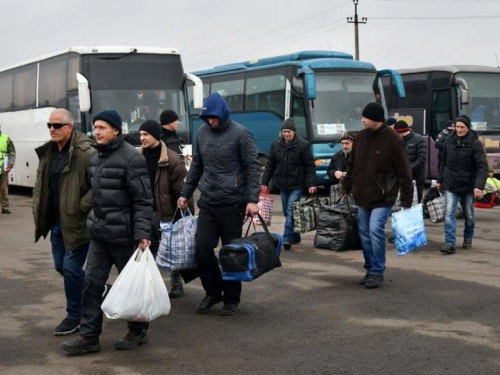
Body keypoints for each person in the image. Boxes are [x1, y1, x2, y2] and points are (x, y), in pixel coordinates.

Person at [61, 110, 153, 354]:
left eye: (102, 127)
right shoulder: (95, 158)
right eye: (95, 127)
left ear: (116, 130)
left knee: (131, 287)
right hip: (100, 235)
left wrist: (142, 233)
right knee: (91, 283)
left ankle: (137, 331)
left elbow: (143, 200)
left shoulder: (132, 159)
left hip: (125, 236)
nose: (97, 132)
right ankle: (89, 337)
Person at [177, 93, 260, 316]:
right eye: (207, 118)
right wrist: (185, 193)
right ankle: (213, 292)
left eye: (213, 117)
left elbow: (253, 167)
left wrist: (252, 200)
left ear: (222, 114)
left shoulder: (241, 134)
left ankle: (232, 298)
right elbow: (196, 166)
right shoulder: (202, 132)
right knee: (202, 250)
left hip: (233, 204)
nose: (210, 121)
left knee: (230, 253)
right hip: (209, 202)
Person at [33, 109, 94, 336]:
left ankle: (75, 316)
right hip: (57, 222)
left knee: (70, 268)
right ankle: (97, 287)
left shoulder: (85, 152)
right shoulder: (48, 152)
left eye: (57, 125)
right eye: (49, 125)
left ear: (70, 127)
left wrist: (79, 205)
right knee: (61, 266)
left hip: (78, 222)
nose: (52, 129)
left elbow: (97, 186)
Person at [342, 102, 413, 289]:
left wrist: (407, 200)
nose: (362, 120)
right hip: (362, 195)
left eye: (365, 117)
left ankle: (377, 271)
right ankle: (370, 267)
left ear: (375, 119)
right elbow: (352, 166)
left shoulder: (394, 140)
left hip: (383, 196)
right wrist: (346, 187)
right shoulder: (360, 138)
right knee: (363, 233)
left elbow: (405, 172)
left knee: (375, 230)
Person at [138, 119, 193, 298]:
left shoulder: (171, 158)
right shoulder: (136, 158)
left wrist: (186, 216)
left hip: (166, 212)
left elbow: (183, 189)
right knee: (147, 250)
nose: (142, 138)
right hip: (144, 212)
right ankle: (151, 286)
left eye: (145, 134)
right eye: (140, 134)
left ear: (155, 135)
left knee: (170, 248)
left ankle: (176, 284)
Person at [262, 118, 317, 250]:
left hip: (297, 184)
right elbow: (270, 165)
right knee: (288, 213)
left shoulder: (303, 145)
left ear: (294, 132)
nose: (286, 134)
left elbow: (309, 166)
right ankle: (296, 235)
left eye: (289, 132)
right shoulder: (276, 145)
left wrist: (312, 184)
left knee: (290, 210)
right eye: (284, 131)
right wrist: (264, 182)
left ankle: (287, 238)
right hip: (282, 184)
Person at [436, 115, 488, 255]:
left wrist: (478, 187)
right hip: (451, 184)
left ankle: (468, 238)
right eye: (457, 127)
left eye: (462, 127)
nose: (459, 130)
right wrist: (439, 180)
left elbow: (482, 166)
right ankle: (449, 243)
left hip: (468, 185)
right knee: (449, 213)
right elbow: (443, 163)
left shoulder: (475, 144)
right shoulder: (448, 141)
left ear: (468, 128)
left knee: (469, 215)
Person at [393, 120, 427, 203]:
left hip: (416, 177)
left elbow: (421, 160)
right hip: (401, 178)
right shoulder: (397, 141)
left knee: (416, 204)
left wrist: (406, 170)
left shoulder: (419, 140)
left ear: (401, 132)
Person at [0, 124, 16, 214]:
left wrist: (10, 165)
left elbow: (12, 152)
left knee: (4, 188)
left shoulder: (6, 138)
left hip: (3, 168)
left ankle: (4, 207)